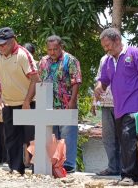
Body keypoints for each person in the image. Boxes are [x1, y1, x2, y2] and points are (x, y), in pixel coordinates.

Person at [0, 27, 40, 175]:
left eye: (3, 44)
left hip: (29, 102)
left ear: (12, 41)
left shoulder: (23, 55)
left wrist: (27, 101)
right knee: (11, 137)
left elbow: (35, 79)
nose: (0, 47)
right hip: (8, 103)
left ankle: (38, 168)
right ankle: (16, 168)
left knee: (33, 137)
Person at [94, 27, 138, 186]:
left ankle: (129, 175)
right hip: (119, 107)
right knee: (125, 140)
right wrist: (99, 86)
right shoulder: (108, 61)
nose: (106, 49)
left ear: (117, 40)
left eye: (108, 45)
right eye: (103, 47)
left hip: (136, 105)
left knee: (128, 136)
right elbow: (104, 79)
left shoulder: (135, 54)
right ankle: (133, 175)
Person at [38, 35, 82, 173]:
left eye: (55, 49)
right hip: (48, 105)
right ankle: (54, 164)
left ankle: (68, 165)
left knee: (67, 135)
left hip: (66, 104)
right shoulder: (43, 61)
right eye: (49, 49)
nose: (52, 52)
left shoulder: (70, 60)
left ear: (61, 47)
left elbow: (76, 81)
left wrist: (72, 101)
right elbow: (39, 80)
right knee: (53, 136)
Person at [92, 55, 121, 176]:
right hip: (105, 102)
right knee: (108, 138)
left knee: (124, 137)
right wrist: (94, 101)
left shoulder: (126, 57)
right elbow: (99, 79)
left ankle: (126, 169)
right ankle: (113, 168)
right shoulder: (104, 59)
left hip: (122, 103)